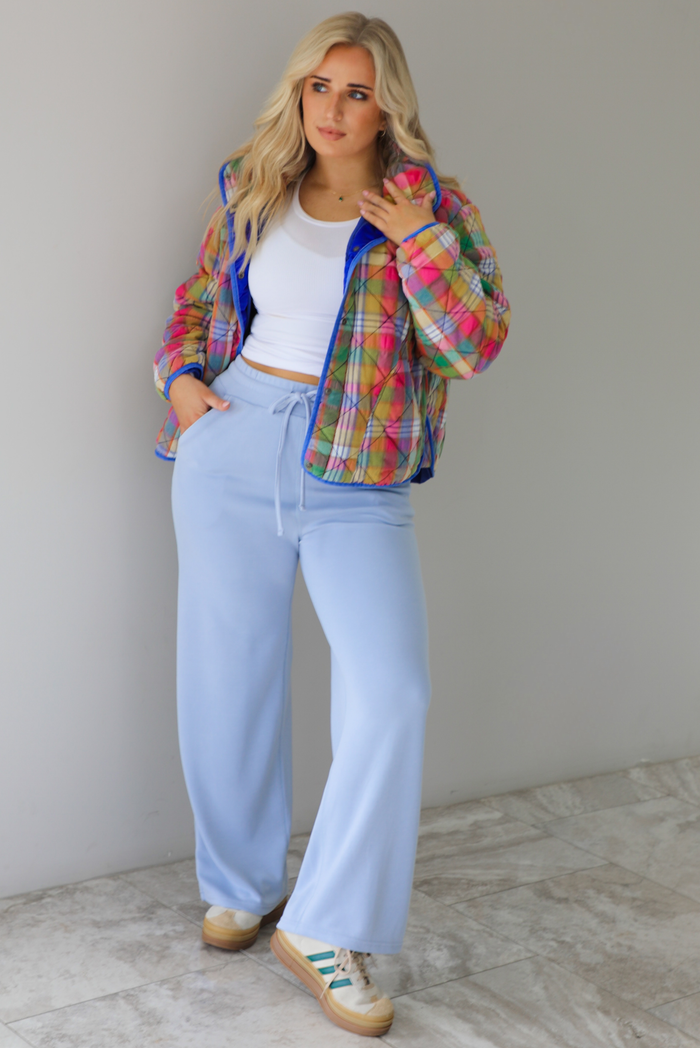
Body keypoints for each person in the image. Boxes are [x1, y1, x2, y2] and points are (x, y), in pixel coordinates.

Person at [153, 11, 510, 1038]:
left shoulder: (429, 206)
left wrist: (420, 247)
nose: (335, 108)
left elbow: (472, 345)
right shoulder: (253, 185)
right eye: (321, 87)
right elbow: (195, 302)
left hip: (358, 468)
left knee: (391, 689)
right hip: (235, 437)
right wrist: (183, 384)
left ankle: (325, 923)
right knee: (228, 670)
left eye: (357, 91)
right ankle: (239, 882)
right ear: (299, 94)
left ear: (387, 101)